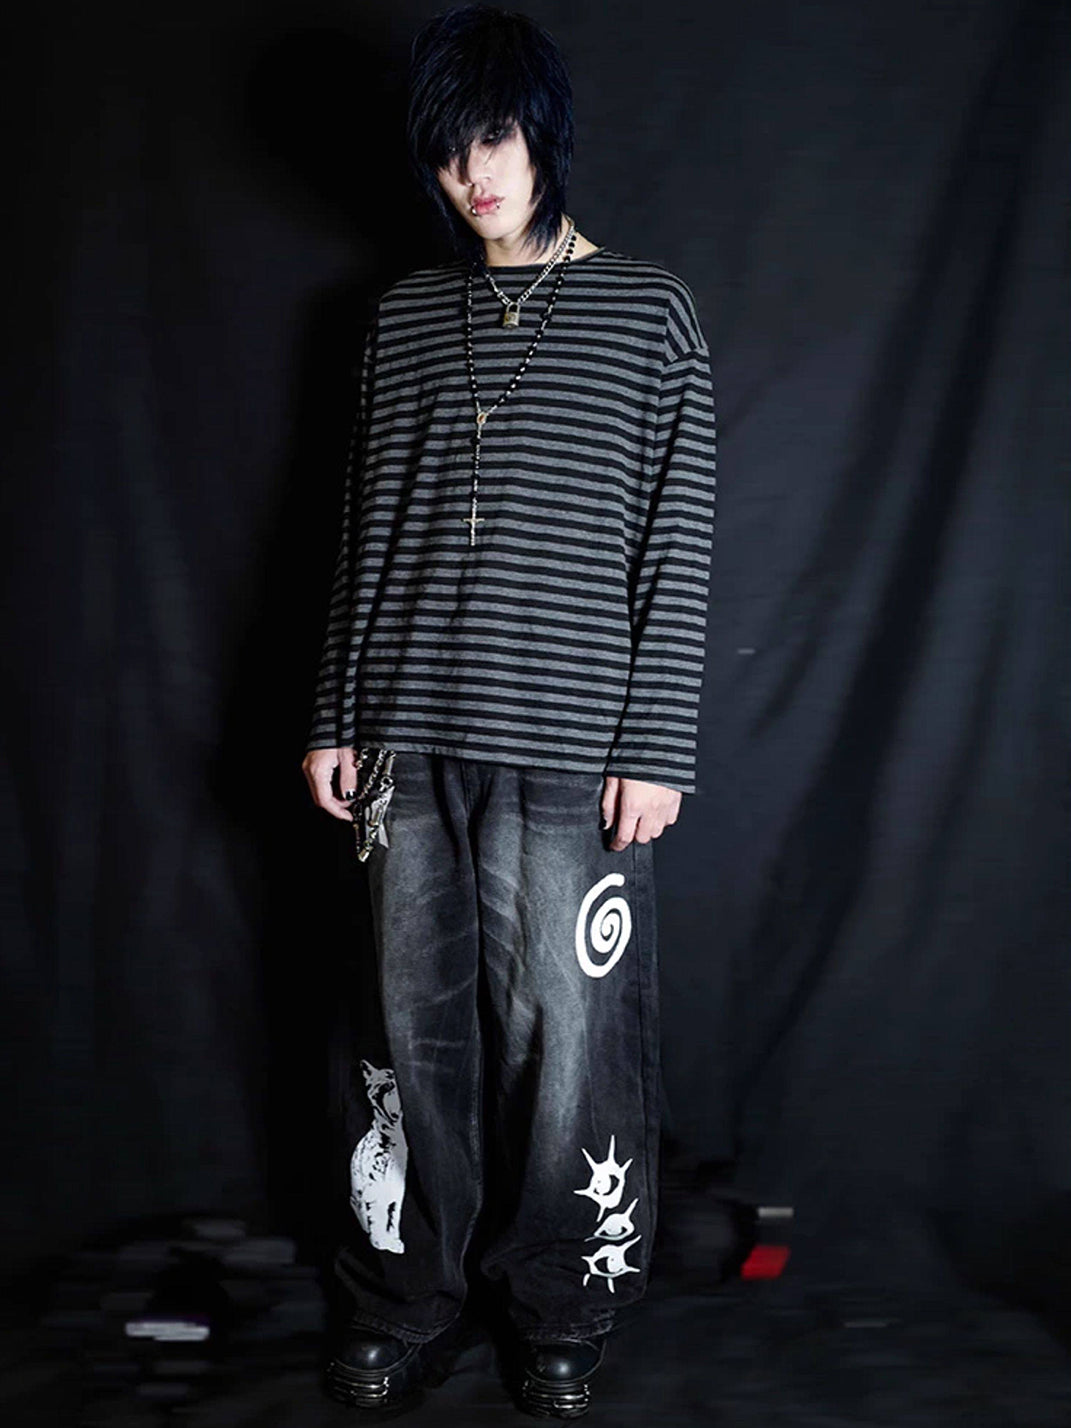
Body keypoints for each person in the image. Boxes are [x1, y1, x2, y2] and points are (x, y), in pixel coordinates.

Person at [301, 4, 717, 1417]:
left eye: (492, 138)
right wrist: (335, 712)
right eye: (447, 150)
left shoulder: (652, 312)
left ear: (542, 134)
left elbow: (677, 540)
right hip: (407, 734)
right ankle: (404, 1291)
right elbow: (364, 530)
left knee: (568, 1043)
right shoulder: (402, 319)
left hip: (572, 745)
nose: (472, 174)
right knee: (406, 1037)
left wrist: (656, 745)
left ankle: (562, 1299)